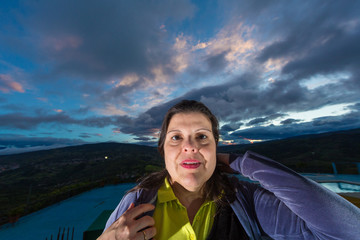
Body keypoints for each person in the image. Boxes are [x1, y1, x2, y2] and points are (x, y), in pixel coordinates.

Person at [98, 100, 360, 240]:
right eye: (176, 138)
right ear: (162, 150)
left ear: (216, 149)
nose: (190, 147)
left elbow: (349, 231)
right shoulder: (138, 203)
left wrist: (242, 162)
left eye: (202, 137)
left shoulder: (245, 201)